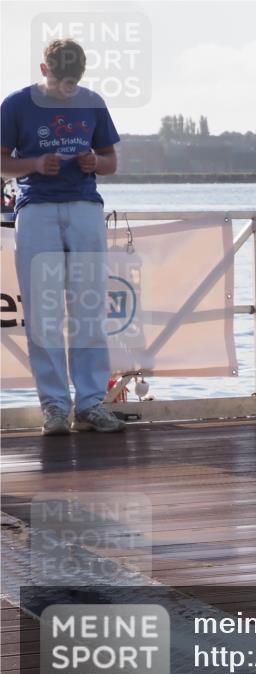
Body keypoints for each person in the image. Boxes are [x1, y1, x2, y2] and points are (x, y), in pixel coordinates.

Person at [1, 38, 124, 435]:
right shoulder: (16, 104)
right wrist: (34, 163)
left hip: (84, 208)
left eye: (72, 82)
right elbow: (1, 161)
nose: (66, 89)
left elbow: (111, 161)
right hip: (36, 209)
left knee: (89, 308)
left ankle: (91, 403)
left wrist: (95, 161)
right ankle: (55, 406)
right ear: (43, 70)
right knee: (43, 312)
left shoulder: (93, 102)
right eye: (59, 81)